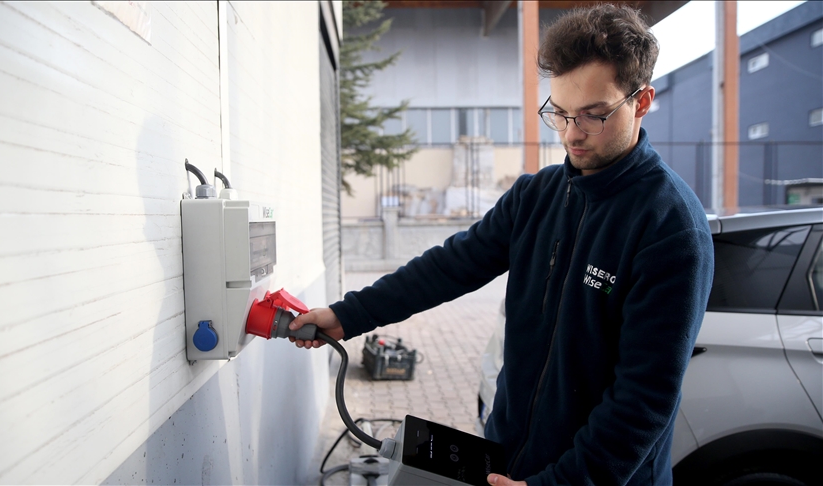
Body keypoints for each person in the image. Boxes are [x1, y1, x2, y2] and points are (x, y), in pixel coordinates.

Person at [291, 4, 714, 485]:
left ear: (641, 101)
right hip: (507, 461)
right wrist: (348, 315)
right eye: (560, 113)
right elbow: (447, 268)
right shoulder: (536, 197)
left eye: (594, 116)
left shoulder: (671, 228)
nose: (572, 133)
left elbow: (643, 401)